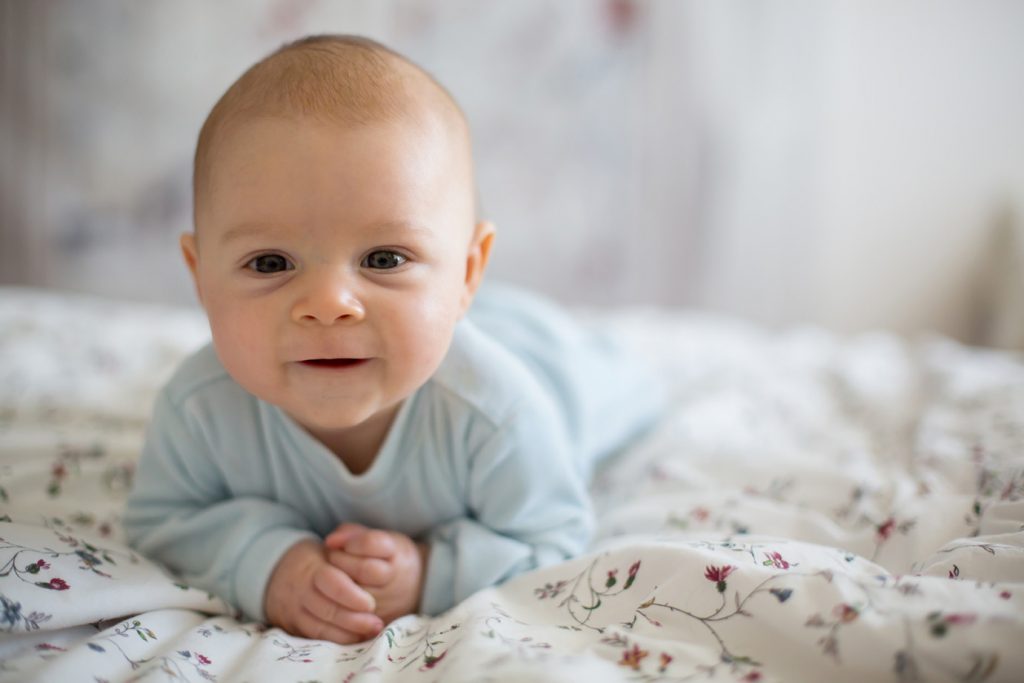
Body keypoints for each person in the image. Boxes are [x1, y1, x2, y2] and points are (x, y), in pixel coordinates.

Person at [123, 34, 664, 646]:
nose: (328, 305)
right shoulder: (199, 409)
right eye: (270, 263)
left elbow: (552, 536)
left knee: (616, 372)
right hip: (440, 325)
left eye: (384, 257)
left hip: (554, 364)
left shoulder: (499, 412)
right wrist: (267, 563)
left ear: (466, 273)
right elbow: (161, 522)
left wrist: (429, 572)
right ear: (200, 278)